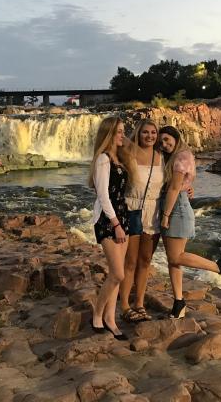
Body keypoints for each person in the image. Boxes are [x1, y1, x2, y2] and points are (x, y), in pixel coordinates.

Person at [158, 125, 221, 319]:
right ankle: (179, 303)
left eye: (167, 139)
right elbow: (183, 183)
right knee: (173, 259)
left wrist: (165, 216)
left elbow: (173, 190)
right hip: (177, 205)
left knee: (177, 257)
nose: (164, 144)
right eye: (161, 141)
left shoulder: (179, 158)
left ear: (176, 138)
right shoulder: (180, 155)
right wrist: (188, 188)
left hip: (175, 209)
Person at [89, 116, 137, 340]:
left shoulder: (119, 157)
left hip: (122, 217)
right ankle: (97, 314)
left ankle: (111, 318)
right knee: (117, 273)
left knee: (117, 276)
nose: (122, 135)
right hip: (108, 220)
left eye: (123, 131)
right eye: (119, 132)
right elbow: (103, 195)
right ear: (109, 134)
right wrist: (116, 224)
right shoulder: (103, 159)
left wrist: (126, 143)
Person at [119, 119, 164, 323]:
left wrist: (188, 187)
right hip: (132, 209)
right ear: (138, 133)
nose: (150, 136)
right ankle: (125, 306)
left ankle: (139, 303)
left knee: (145, 261)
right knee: (130, 261)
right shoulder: (128, 152)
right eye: (145, 132)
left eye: (153, 133)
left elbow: (177, 178)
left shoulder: (162, 156)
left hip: (153, 211)